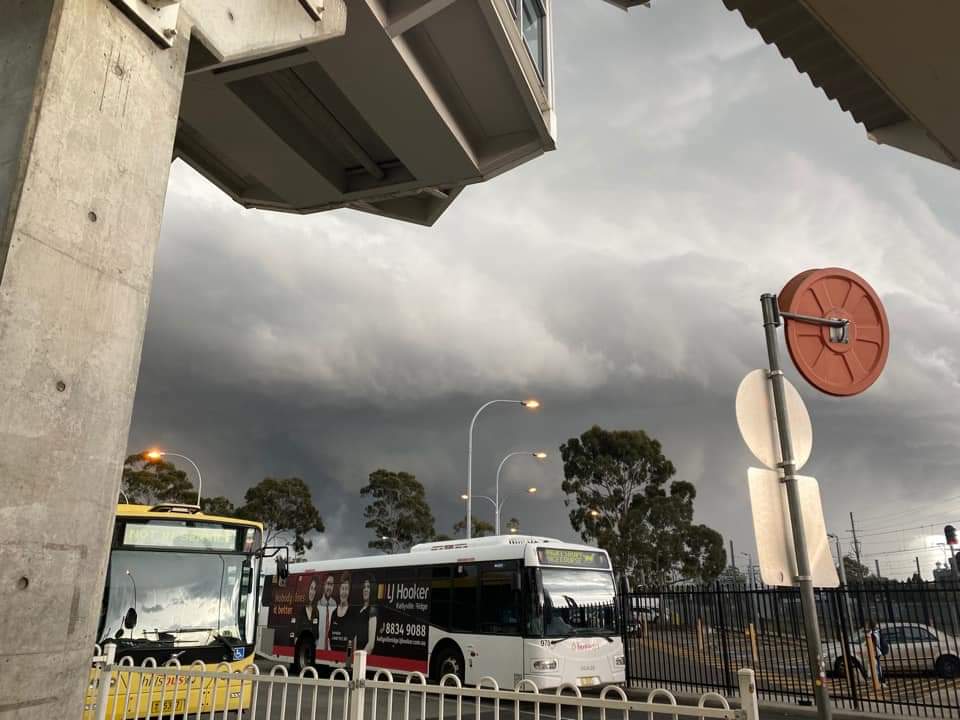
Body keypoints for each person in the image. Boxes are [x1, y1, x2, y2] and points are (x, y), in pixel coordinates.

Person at [327, 571, 354, 653]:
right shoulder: (334, 612)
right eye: (342, 588)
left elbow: (353, 639)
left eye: (346, 589)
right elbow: (329, 636)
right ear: (339, 590)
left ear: (349, 592)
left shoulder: (352, 612)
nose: (344, 592)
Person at [354, 574, 379, 653]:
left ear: (372, 589)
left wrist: (360, 659)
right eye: (364, 587)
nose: (365, 589)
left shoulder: (372, 610)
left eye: (368, 587)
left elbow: (371, 644)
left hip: (363, 657)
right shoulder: (360, 610)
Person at [316, 574, 337, 651]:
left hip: (330, 648)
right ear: (324, 585)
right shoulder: (317, 605)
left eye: (331, 585)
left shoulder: (335, 605)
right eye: (328, 584)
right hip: (318, 647)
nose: (329, 588)